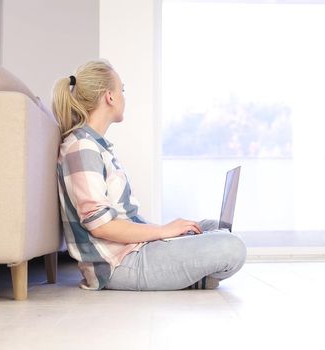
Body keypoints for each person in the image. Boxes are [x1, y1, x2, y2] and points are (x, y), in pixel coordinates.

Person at [52, 60, 246, 291]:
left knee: (213, 226)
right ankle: (189, 276)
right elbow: (101, 227)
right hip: (119, 264)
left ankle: (186, 275)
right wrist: (164, 231)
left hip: (133, 249)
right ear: (109, 97)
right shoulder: (82, 147)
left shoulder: (95, 145)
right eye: (121, 90)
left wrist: (165, 233)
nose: (124, 97)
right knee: (232, 247)